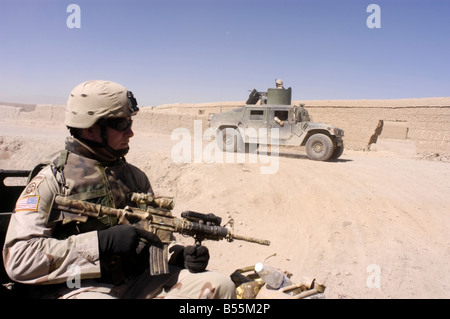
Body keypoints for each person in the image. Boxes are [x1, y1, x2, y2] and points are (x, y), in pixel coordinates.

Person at [2, 80, 236, 299]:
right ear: (90, 129)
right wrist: (100, 243)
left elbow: (159, 235)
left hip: (134, 280)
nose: (130, 132)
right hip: (76, 286)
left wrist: (178, 254)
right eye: (121, 124)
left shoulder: (135, 177)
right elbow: (19, 260)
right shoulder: (53, 180)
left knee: (220, 286)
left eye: (130, 122)